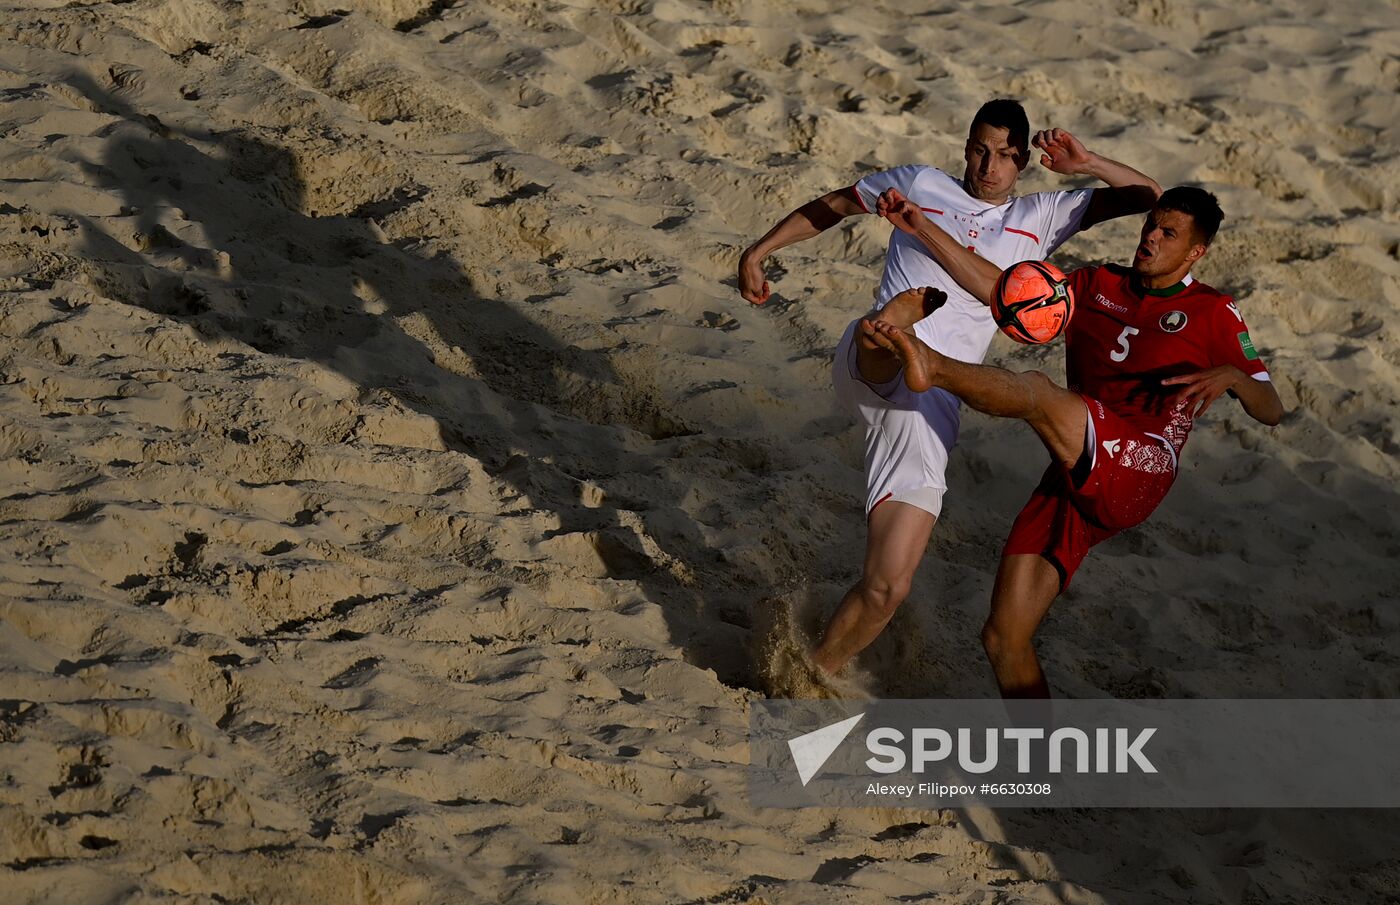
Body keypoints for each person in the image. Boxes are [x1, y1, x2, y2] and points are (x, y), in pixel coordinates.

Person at [737, 99, 1162, 679]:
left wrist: (1088, 163)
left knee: (889, 586)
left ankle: (813, 671)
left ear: (1023, 164)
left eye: (1007, 157)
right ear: (966, 146)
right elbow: (834, 205)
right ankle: (899, 327)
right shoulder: (920, 183)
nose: (990, 167)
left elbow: (1150, 199)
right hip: (873, 360)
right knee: (883, 336)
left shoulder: (1044, 216)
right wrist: (759, 251)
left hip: (928, 406)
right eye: (981, 151)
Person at [864, 185, 1284, 697]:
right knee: (1003, 637)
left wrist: (1234, 378)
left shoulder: (1214, 310)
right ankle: (1042, 768)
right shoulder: (1098, 282)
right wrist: (923, 228)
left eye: (1168, 233)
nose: (1150, 236)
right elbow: (1003, 291)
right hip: (1076, 466)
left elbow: (1272, 409)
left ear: (1196, 251)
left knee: (1038, 393)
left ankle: (934, 368)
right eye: (1151, 223)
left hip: (1141, 464)